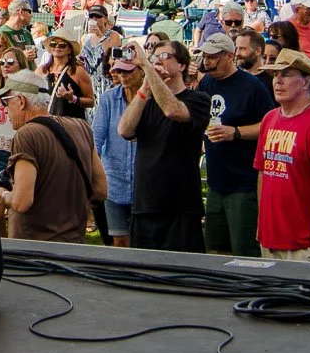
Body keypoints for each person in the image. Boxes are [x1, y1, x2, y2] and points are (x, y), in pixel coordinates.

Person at [116, 39, 212, 252]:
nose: (157, 62)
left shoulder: (198, 99)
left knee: (180, 268)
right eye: (154, 58)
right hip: (145, 204)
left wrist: (146, 66)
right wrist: (145, 87)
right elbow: (124, 130)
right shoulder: (146, 101)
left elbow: (172, 110)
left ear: (182, 65)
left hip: (181, 207)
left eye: (164, 56)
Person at [254, 50, 310, 262]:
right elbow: (263, 173)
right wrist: (262, 222)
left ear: (306, 81)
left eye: (286, 74)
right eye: (275, 75)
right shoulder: (269, 119)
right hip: (271, 239)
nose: (277, 81)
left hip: (305, 243)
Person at [0, 71, 104, 244]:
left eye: (6, 102)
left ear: (21, 101)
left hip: (34, 246)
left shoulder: (27, 134)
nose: (5, 110)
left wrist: (3, 194)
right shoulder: (82, 127)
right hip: (74, 243)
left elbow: (21, 202)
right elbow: (101, 190)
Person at [197, 32, 274, 255]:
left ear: (229, 56)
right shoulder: (207, 83)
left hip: (243, 183)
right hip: (215, 182)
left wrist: (237, 132)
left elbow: (271, 125)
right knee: (217, 248)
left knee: (244, 250)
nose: (207, 62)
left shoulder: (251, 86)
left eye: (213, 57)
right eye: (205, 56)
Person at [90, 49, 141, 248]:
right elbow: (97, 136)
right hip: (114, 181)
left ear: (141, 71)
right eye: (119, 71)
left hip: (144, 183)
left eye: (128, 71)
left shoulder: (152, 98)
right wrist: (94, 174)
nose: (122, 76)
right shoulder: (109, 98)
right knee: (119, 240)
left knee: (144, 241)